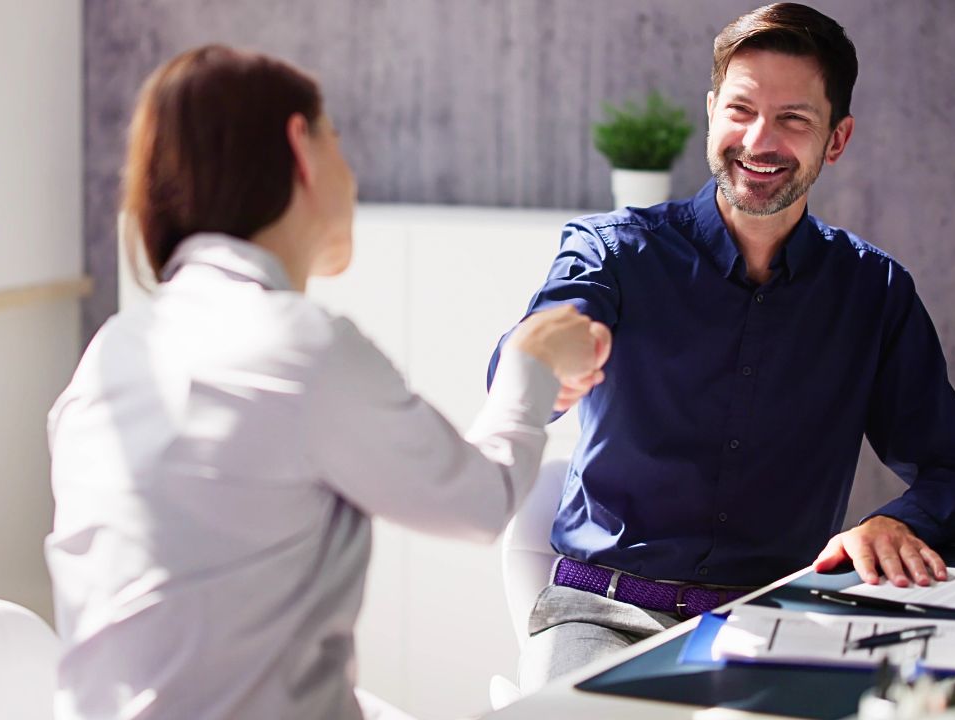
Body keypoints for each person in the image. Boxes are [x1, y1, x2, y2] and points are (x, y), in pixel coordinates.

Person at [45, 45, 610, 720]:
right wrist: (531, 363)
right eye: (336, 139)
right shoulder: (300, 344)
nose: (352, 174)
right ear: (301, 146)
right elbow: (481, 502)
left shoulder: (111, 350)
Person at [487, 3, 955, 690]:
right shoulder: (611, 252)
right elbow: (529, 360)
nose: (759, 140)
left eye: (793, 119)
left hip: (771, 625)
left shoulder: (873, 292)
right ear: (712, 113)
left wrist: (894, 523)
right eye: (741, 110)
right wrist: (550, 360)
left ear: (837, 138)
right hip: (600, 614)